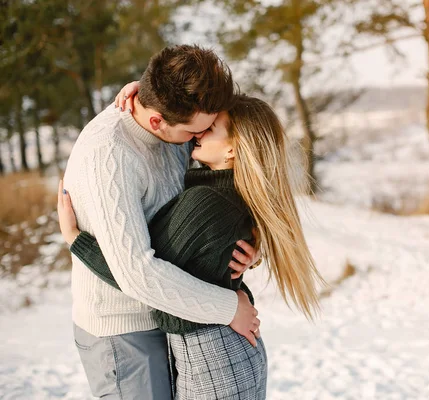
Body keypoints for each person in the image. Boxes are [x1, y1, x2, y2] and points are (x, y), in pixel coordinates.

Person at [59, 94, 325, 399]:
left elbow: (138, 273)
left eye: (212, 127)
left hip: (214, 363)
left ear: (232, 148)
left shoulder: (206, 202)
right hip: (226, 354)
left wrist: (77, 240)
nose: (199, 131)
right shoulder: (222, 191)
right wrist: (145, 91)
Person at [60, 45, 262, 400]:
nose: (199, 136)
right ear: (157, 121)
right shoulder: (108, 156)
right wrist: (230, 307)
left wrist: (251, 243)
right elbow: (137, 273)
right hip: (125, 333)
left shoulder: (171, 123)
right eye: (195, 131)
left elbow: (220, 196)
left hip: (171, 314)